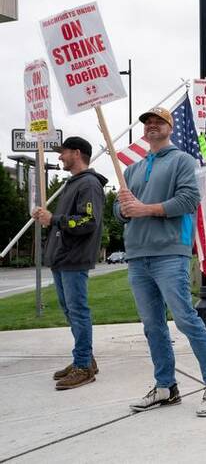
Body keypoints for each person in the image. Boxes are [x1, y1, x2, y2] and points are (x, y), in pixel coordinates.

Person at [114, 106, 206, 417]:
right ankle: (165, 387)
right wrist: (123, 210)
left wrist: (144, 209)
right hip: (138, 254)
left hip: (170, 252)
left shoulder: (183, 161)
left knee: (185, 319)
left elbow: (189, 199)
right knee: (152, 326)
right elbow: (119, 209)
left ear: (170, 126)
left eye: (158, 121)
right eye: (148, 122)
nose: (152, 126)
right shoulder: (132, 170)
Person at [32, 136, 107, 390]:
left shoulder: (88, 184)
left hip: (74, 257)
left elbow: (88, 221)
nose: (60, 157)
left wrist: (54, 219)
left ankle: (83, 366)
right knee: (70, 311)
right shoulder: (73, 184)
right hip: (62, 257)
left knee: (78, 311)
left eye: (63, 152)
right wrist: (49, 218)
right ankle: (85, 358)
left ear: (76, 153)